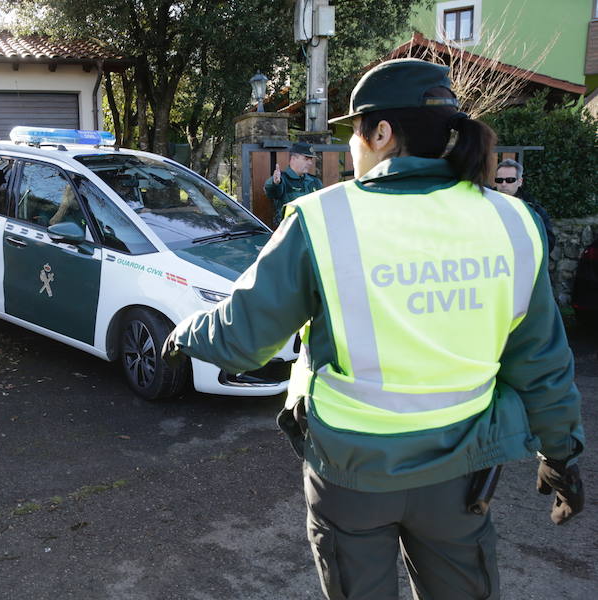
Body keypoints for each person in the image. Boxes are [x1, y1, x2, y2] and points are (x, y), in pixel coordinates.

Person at [162, 58, 584, 599]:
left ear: (382, 133)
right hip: (459, 473)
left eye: (353, 133)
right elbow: (541, 356)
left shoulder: (323, 218)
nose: (352, 147)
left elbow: (243, 340)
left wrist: (185, 334)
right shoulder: (513, 221)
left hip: (352, 474)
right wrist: (561, 453)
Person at [495, 158, 555, 252]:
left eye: (510, 180)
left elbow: (548, 243)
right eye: (499, 180)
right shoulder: (486, 204)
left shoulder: (534, 210)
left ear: (520, 182)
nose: (503, 184)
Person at [263, 142, 322, 227]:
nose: (310, 163)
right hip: (290, 231)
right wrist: (275, 183)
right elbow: (271, 190)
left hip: (312, 228)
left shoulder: (315, 181)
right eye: (306, 159)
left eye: (311, 159)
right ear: (293, 159)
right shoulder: (283, 180)